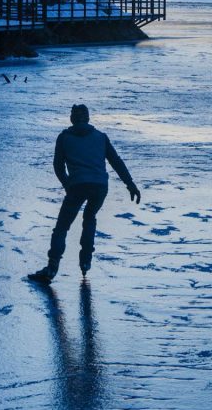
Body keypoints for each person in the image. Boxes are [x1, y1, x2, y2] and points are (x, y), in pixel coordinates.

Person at [28, 105, 140, 284]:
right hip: (99, 186)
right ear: (87, 118)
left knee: (62, 227)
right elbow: (116, 162)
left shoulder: (64, 138)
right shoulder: (100, 137)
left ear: (72, 119)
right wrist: (130, 184)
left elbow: (58, 167)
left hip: (77, 186)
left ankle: (52, 267)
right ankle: (86, 260)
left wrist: (67, 184)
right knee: (90, 218)